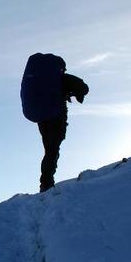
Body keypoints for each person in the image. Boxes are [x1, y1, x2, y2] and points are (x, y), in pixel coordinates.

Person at [20, 53, 89, 192]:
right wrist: (71, 92)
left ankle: (45, 182)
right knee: (52, 150)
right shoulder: (61, 78)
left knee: (49, 149)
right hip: (55, 117)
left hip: (42, 118)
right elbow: (84, 88)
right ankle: (46, 183)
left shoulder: (39, 80)